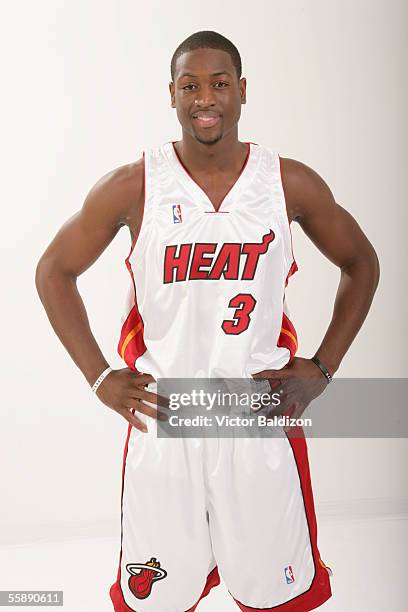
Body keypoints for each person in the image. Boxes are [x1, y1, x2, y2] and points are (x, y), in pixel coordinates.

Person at [35, 30, 380, 612]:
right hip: (167, 420)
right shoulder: (134, 184)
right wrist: (100, 377)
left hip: (258, 419)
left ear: (242, 91)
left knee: (277, 594)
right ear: (171, 94)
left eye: (220, 83)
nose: (206, 98)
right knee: (158, 599)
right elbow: (53, 272)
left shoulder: (286, 182)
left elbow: (360, 263)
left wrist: (323, 367)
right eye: (190, 85)